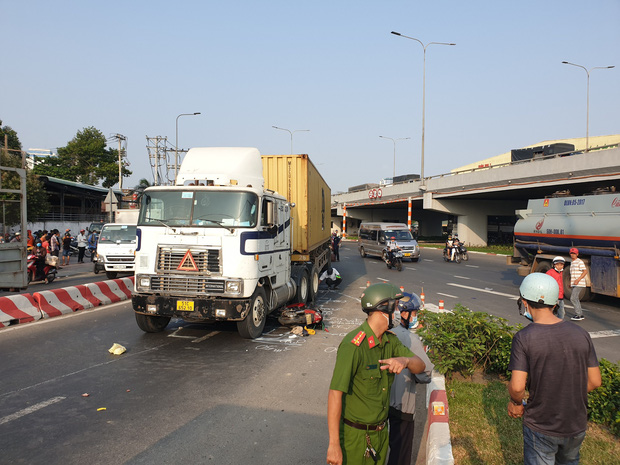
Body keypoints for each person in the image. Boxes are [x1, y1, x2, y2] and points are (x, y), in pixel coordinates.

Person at [326, 283, 426, 465]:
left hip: (380, 435)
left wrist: (406, 361)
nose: (398, 312)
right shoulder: (353, 346)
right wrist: (334, 444)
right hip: (354, 438)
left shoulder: (390, 341)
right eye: (395, 307)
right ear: (383, 309)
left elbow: (420, 366)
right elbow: (335, 394)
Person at [507, 273, 601, 465]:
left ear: (524, 302)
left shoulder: (524, 338)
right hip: (576, 425)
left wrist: (516, 403)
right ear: (554, 303)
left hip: (541, 425)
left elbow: (517, 387)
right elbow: (595, 381)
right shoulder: (581, 334)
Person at [388, 292, 434, 465]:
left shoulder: (386, 332)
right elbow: (426, 374)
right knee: (400, 455)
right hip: (403, 407)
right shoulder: (411, 339)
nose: (416, 318)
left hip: (382, 405)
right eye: (414, 313)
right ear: (404, 314)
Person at [569, 248, 587, 321]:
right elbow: (572, 274)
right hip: (574, 283)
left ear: (577, 254)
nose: (573, 255)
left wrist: (578, 280)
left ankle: (578, 315)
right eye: (571, 253)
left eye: (574, 253)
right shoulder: (572, 262)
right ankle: (580, 314)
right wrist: (570, 282)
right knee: (575, 298)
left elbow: (585, 271)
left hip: (579, 283)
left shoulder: (579, 262)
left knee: (573, 298)